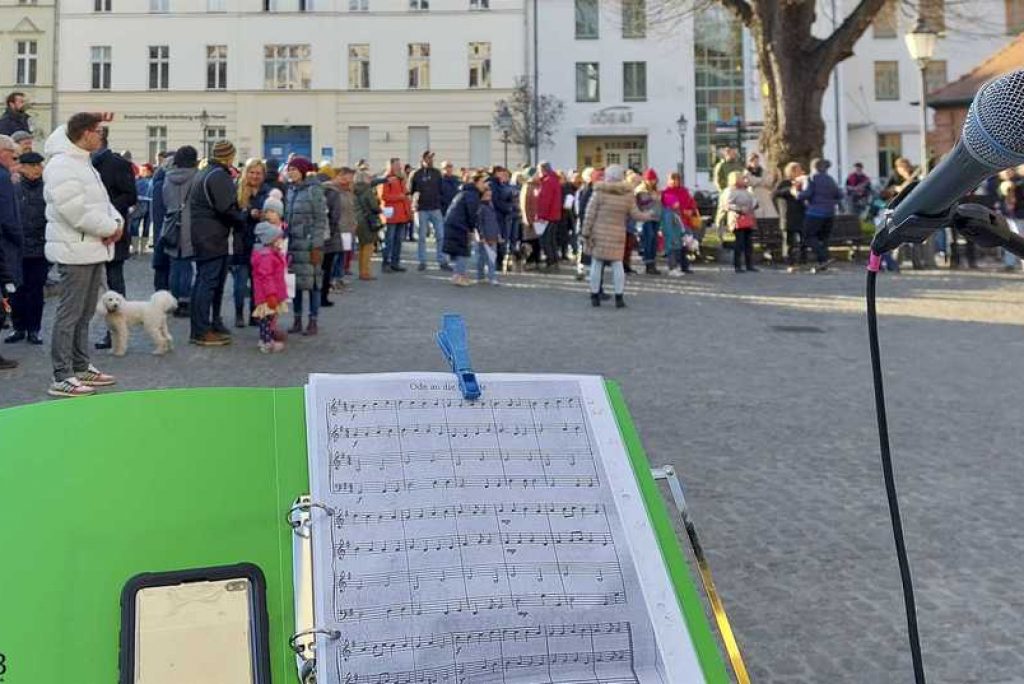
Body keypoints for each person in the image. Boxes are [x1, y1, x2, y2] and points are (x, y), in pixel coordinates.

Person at [43, 112, 123, 397]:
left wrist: (116, 222)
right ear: (85, 133)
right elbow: (73, 210)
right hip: (74, 248)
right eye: (98, 131)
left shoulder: (82, 162)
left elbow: (102, 202)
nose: (102, 136)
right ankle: (62, 374)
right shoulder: (62, 164)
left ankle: (80, 365)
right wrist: (109, 227)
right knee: (70, 314)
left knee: (85, 313)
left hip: (91, 247)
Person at [188, 139, 241, 346]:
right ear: (230, 156)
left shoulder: (204, 172)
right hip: (212, 236)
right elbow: (226, 208)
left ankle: (206, 325)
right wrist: (245, 218)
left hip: (203, 234)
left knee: (206, 282)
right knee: (207, 283)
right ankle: (201, 331)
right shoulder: (218, 175)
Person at [581, 164, 653, 308]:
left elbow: (589, 214)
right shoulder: (627, 195)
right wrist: (648, 215)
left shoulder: (599, 192)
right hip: (618, 234)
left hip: (599, 233)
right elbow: (635, 214)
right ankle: (619, 297)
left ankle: (595, 295)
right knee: (617, 264)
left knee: (596, 264)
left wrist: (585, 232)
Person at [91, 128, 138, 350]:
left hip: (113, 231)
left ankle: (117, 333)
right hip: (89, 233)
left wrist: (106, 210)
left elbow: (131, 196)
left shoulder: (117, 163)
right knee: (90, 284)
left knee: (114, 283)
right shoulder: (83, 163)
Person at [6, 151, 46, 345]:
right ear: (22, 168)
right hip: (17, 249)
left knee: (36, 292)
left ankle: (34, 329)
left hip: (39, 248)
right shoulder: (13, 189)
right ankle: (18, 327)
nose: (38, 169)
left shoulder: (47, 189)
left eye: (39, 165)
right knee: (16, 291)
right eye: (33, 166)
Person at [284, 156, 327, 336]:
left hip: (309, 245)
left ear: (302, 171)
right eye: (289, 170)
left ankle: (313, 321)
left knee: (313, 284)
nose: (290, 173)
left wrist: (316, 244)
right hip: (293, 244)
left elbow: (320, 219)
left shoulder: (313, 190)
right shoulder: (290, 190)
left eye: (294, 169)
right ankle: (297, 320)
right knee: (296, 284)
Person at [163, 146, 199, 318]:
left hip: (171, 223)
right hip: (190, 224)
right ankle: (185, 301)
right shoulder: (196, 177)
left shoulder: (168, 176)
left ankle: (174, 300)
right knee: (186, 266)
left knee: (174, 265)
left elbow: (164, 199)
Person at [235, 158, 269, 327]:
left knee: (257, 281)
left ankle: (254, 314)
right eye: (252, 172)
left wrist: (266, 215)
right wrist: (248, 214)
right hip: (241, 242)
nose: (255, 176)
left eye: (258, 173)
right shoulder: (237, 190)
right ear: (246, 173)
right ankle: (239, 314)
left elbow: (277, 214)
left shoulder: (268, 192)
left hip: (261, 243)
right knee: (240, 283)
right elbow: (232, 215)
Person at [797, 158, 843, 273]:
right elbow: (840, 194)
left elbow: (807, 194)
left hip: (815, 213)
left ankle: (824, 258)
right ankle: (823, 262)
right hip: (830, 214)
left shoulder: (812, 178)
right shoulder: (830, 179)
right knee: (823, 239)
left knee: (808, 236)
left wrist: (796, 193)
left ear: (813, 167)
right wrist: (832, 202)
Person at [250, 219, 289, 354]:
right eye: (278, 239)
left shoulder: (270, 254)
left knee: (268, 319)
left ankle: (265, 340)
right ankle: (267, 342)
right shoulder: (266, 256)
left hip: (269, 293)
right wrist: (271, 294)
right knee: (266, 319)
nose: (281, 241)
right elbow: (267, 277)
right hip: (268, 295)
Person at [443, 171, 488, 286]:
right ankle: (458, 277)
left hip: (456, 225)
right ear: (476, 183)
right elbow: (472, 214)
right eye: (483, 182)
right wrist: (473, 230)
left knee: (462, 251)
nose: (485, 185)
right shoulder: (472, 195)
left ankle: (460, 275)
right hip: (459, 226)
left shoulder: (467, 192)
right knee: (462, 251)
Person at [409, 150, 448, 271]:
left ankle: (442, 261)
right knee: (421, 237)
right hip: (422, 209)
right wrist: (414, 203)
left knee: (441, 236)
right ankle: (422, 261)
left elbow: (442, 190)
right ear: (423, 159)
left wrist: (441, 203)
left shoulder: (437, 173)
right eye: (428, 158)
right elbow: (411, 191)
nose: (430, 160)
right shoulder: (416, 174)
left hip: (436, 208)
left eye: (431, 158)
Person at [660, 171, 697, 276]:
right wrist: (681, 211)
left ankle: (685, 266)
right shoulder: (666, 193)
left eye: (677, 179)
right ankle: (673, 266)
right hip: (673, 223)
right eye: (673, 179)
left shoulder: (684, 191)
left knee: (686, 244)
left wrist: (691, 210)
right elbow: (668, 208)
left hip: (685, 221)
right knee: (673, 245)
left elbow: (692, 203)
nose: (675, 181)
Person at [722, 171, 759, 273]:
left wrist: (754, 204)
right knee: (739, 243)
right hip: (737, 219)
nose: (744, 180)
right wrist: (739, 209)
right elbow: (727, 204)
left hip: (748, 218)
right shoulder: (730, 191)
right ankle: (737, 265)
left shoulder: (746, 191)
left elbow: (753, 201)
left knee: (748, 243)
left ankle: (749, 264)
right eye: (742, 178)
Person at [378, 158, 411, 272]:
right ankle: (386, 263)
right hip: (391, 215)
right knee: (389, 240)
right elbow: (383, 196)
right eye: (396, 164)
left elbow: (405, 195)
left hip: (401, 214)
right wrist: (399, 197)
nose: (399, 166)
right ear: (390, 166)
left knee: (398, 241)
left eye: (399, 164)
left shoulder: (400, 178)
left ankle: (395, 263)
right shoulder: (386, 179)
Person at [773, 162, 807, 273]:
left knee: (804, 240)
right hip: (788, 216)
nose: (801, 172)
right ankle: (790, 262)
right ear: (792, 172)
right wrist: (790, 190)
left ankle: (803, 261)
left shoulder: (803, 183)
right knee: (789, 241)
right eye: (798, 170)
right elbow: (775, 194)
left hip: (801, 215)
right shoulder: (784, 183)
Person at [150, 149, 173, 291]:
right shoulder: (163, 184)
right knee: (164, 264)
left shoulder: (158, 182)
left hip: (161, 230)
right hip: (165, 231)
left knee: (161, 265)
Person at [354, 169, 383, 281]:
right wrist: (379, 206)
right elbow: (374, 206)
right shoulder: (367, 190)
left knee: (362, 247)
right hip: (367, 221)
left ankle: (362, 271)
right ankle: (365, 272)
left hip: (357, 219)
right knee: (368, 247)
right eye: (368, 177)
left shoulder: (353, 189)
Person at [534, 161, 563, 270]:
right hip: (555, 215)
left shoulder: (547, 182)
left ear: (543, 170)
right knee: (552, 240)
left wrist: (541, 216)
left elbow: (545, 201)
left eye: (539, 170)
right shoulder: (555, 180)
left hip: (547, 216)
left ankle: (550, 262)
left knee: (546, 240)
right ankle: (555, 261)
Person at [635, 169, 662, 275]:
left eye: (653, 180)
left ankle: (652, 263)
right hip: (646, 218)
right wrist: (652, 198)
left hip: (656, 217)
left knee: (654, 241)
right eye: (650, 180)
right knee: (648, 239)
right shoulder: (641, 190)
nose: (652, 182)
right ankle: (648, 263)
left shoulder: (656, 189)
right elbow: (642, 203)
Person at [477, 186, 501, 285]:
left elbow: (495, 221)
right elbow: (479, 223)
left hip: (493, 235)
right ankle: (481, 276)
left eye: (490, 196)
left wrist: (498, 234)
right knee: (482, 257)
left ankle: (492, 277)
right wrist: (481, 236)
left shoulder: (491, 205)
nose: (489, 198)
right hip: (485, 236)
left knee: (492, 257)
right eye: (487, 196)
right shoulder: (480, 207)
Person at [518, 168, 541, 269]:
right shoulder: (527, 187)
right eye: (536, 174)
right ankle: (529, 261)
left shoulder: (538, 185)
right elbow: (524, 205)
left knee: (537, 241)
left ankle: (536, 260)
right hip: (530, 219)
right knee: (529, 242)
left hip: (538, 219)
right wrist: (527, 219)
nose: (539, 175)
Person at [745, 152, 776, 219]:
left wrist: (758, 181)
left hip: (764, 194)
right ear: (749, 162)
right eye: (753, 161)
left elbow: (769, 181)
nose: (755, 163)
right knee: (755, 214)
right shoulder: (746, 172)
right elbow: (750, 181)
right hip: (753, 195)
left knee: (767, 214)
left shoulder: (763, 171)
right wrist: (762, 180)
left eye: (757, 161)